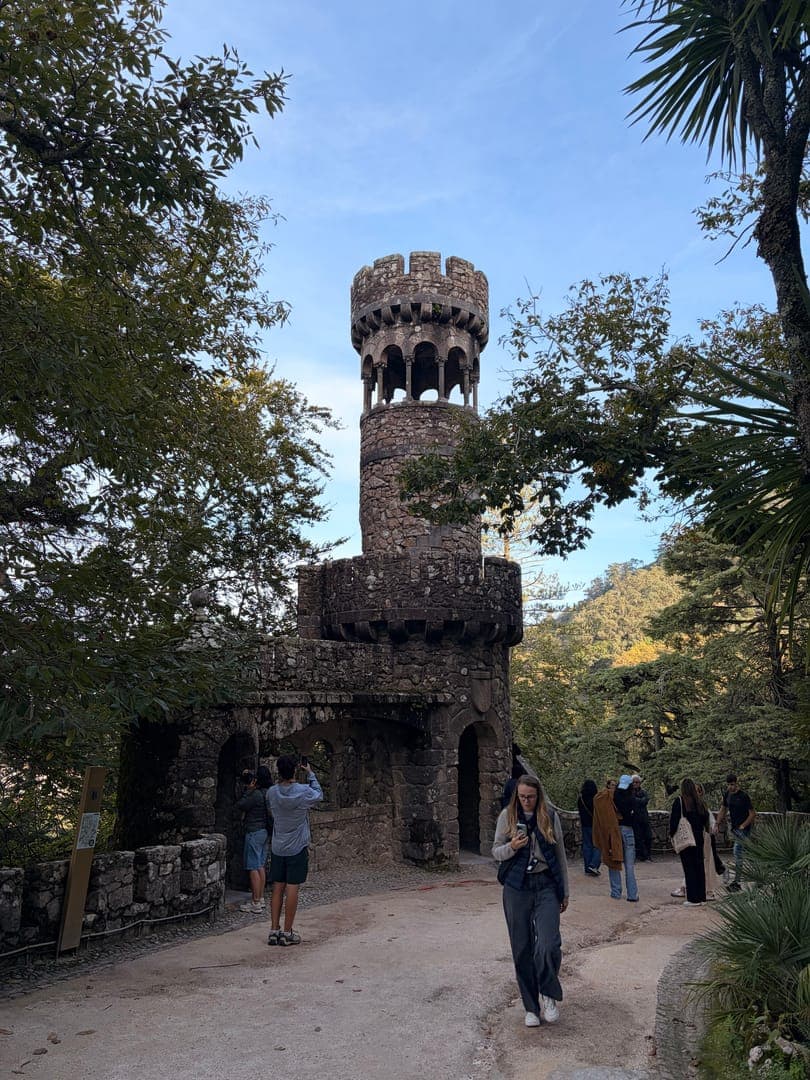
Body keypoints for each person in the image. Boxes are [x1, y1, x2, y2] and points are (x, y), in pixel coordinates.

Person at [492, 775, 569, 1028]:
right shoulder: (507, 816)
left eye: (531, 797)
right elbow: (496, 852)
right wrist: (512, 846)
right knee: (522, 948)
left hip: (545, 884)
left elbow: (560, 856)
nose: (526, 801)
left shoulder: (550, 816)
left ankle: (548, 992)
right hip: (517, 887)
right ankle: (531, 1007)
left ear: (538, 796)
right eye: (522, 797)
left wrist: (565, 891)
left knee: (548, 944)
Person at [265, 754, 323, 945]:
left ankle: (274, 929)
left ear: (278, 771)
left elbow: (271, 810)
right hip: (297, 846)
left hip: (278, 845)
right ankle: (287, 932)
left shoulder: (272, 792)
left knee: (277, 887)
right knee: (292, 888)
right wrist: (310, 774)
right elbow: (319, 795)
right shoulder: (303, 791)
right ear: (295, 770)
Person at [669, 778, 709, 906]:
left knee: (689, 868)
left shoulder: (680, 802)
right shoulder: (700, 802)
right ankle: (702, 896)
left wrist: (672, 835)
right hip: (698, 837)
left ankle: (693, 898)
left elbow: (674, 821)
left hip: (687, 838)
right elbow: (705, 818)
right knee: (699, 867)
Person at [236, 767, 270, 914]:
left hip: (254, 832)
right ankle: (260, 898)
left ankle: (255, 902)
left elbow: (240, 805)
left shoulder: (255, 794)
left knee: (253, 867)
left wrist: (247, 790)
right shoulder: (266, 793)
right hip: (264, 831)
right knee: (260, 865)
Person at [715, 773, 756, 892]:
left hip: (744, 830)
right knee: (747, 854)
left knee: (737, 852)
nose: (730, 787)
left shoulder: (743, 796)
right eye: (728, 785)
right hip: (734, 829)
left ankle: (737, 882)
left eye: (732, 784)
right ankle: (758, 877)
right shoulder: (727, 795)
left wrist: (743, 826)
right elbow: (723, 809)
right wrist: (717, 823)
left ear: (736, 783)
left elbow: (752, 814)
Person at [592, 779, 623, 898]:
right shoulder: (603, 797)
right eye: (612, 785)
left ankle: (619, 891)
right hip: (613, 833)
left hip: (616, 832)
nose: (613, 788)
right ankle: (618, 891)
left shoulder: (604, 797)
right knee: (614, 860)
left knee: (616, 861)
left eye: (615, 785)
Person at [612, 775, 640, 902]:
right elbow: (635, 817)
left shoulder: (614, 797)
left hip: (615, 830)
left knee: (615, 861)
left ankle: (616, 892)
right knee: (629, 865)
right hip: (628, 830)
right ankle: (632, 894)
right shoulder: (632, 798)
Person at [577, 779, 601, 876]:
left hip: (585, 825)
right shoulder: (596, 799)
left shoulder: (581, 799)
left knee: (587, 846)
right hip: (595, 825)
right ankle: (593, 865)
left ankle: (587, 867)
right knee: (598, 845)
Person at [630, 774, 653, 862]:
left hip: (644, 818)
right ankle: (643, 855)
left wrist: (636, 800)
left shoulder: (644, 792)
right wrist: (639, 800)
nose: (635, 784)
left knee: (648, 837)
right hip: (635, 818)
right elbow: (632, 801)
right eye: (634, 782)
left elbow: (645, 800)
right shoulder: (630, 792)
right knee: (638, 838)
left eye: (637, 782)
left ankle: (648, 854)